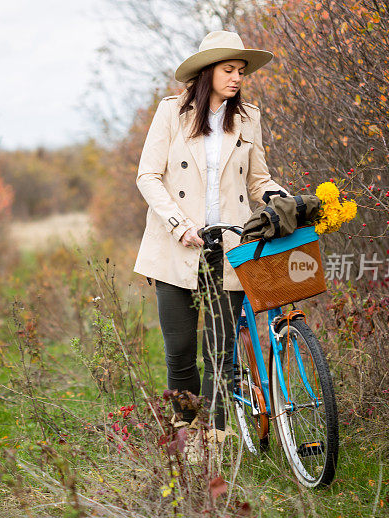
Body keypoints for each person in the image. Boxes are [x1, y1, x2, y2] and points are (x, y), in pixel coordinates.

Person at [133, 30, 288, 441]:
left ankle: (218, 438)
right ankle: (185, 429)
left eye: (240, 71)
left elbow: (259, 181)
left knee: (221, 353)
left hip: (228, 245)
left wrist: (285, 200)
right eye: (228, 69)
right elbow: (148, 176)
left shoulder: (249, 118)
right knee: (181, 351)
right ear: (207, 72)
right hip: (176, 246)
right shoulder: (172, 113)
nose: (237, 78)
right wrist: (178, 224)